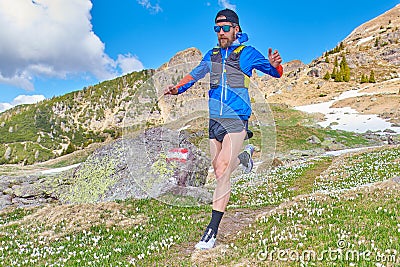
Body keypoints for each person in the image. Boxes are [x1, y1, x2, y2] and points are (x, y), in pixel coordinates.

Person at [164, 8, 283, 250]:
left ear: (236, 29)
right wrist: (178, 88)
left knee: (221, 168)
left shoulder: (247, 54)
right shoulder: (212, 55)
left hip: (237, 117)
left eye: (225, 28)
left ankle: (212, 230)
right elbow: (194, 74)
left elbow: (275, 73)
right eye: (217, 28)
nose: (221, 32)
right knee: (219, 173)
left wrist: (275, 66)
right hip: (214, 120)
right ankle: (245, 156)